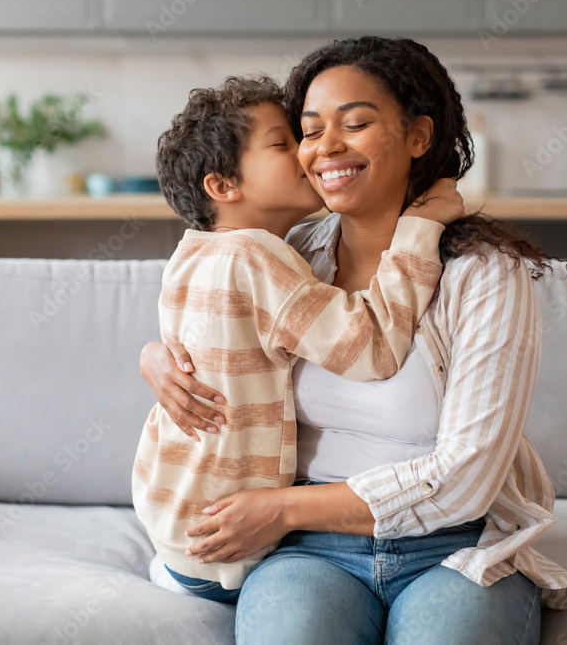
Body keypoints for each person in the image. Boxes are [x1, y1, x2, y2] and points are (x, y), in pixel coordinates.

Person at [141, 37, 567, 644]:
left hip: (451, 548)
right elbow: (215, 316)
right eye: (306, 131)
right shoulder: (289, 254)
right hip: (307, 554)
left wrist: (280, 510)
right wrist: (156, 357)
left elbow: (466, 478)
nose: (325, 147)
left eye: (355, 123)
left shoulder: (484, 273)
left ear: (418, 137)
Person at [133, 74, 466, 604]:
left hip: (175, 515)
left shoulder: (192, 254)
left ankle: (170, 572)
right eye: (283, 144)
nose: (308, 154)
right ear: (223, 186)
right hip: (228, 545)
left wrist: (152, 354)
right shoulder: (258, 258)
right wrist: (419, 229)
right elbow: (370, 347)